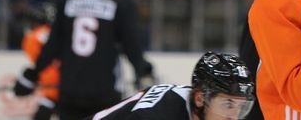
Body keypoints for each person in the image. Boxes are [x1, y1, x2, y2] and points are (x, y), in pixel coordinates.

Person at [14, 0, 154, 120]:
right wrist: (143, 72)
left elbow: (53, 46)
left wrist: (32, 75)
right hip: (105, 89)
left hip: (70, 89)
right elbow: (131, 45)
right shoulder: (121, 2)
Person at [87, 52, 255, 120]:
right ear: (200, 99)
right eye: (228, 104)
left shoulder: (188, 105)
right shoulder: (157, 116)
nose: (234, 116)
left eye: (242, 107)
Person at [21, 3, 60, 120]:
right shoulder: (64, 34)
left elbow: (43, 64)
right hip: (67, 88)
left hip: (56, 89)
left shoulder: (35, 36)